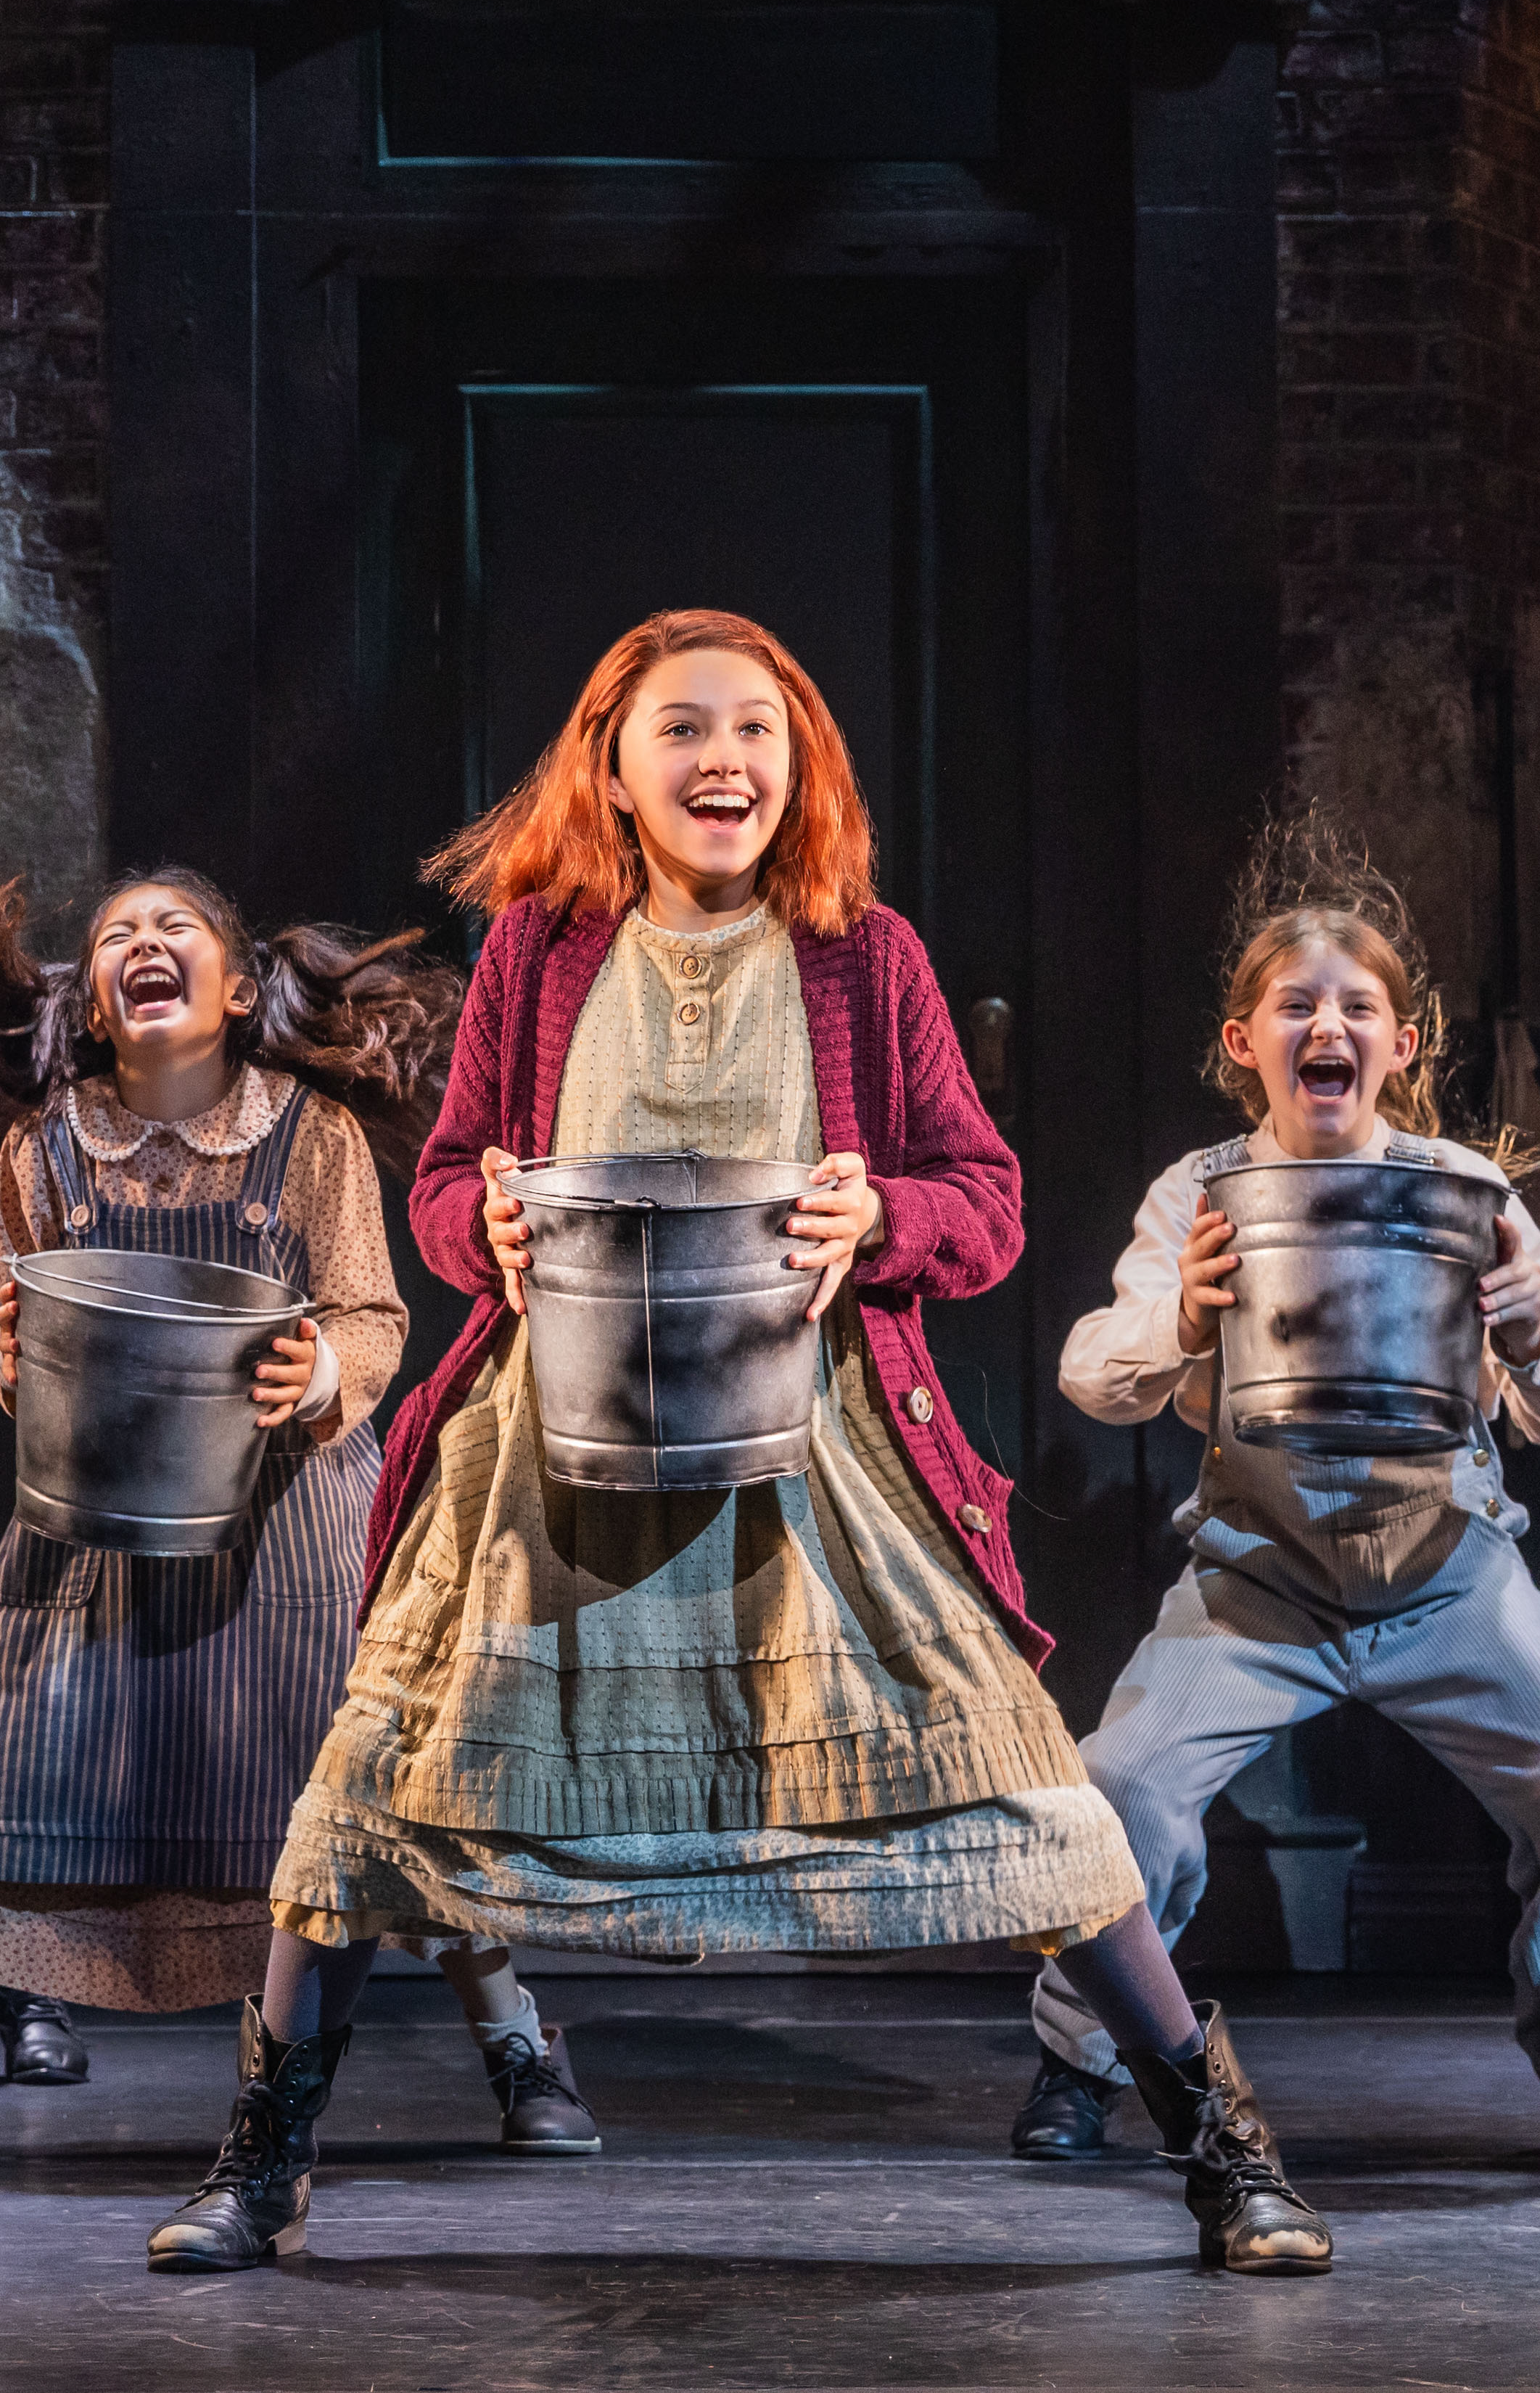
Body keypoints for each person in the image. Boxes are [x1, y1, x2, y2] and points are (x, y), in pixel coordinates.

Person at [146, 608, 1331, 2278]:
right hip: (547, 1453)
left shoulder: (868, 953)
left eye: (759, 729)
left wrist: (883, 1208)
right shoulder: (540, 953)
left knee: (1026, 1787)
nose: (727, 758)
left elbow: (982, 1206)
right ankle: (262, 2164)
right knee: (371, 1799)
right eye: (686, 729)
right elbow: (446, 1178)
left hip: (822, 1451)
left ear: (802, 761)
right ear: (613, 769)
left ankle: (1225, 2153)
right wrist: (475, 1220)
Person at [0, 868, 598, 2168]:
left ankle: (516, 2042)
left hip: (288, 1533)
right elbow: (14, 1335)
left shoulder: (308, 1136)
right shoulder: (45, 1146)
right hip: (87, 1535)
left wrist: (320, 1370)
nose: (145, 945)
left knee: (376, 1791)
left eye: (178, 931)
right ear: (96, 1007)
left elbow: (371, 1312)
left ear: (234, 988)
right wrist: (12, 1353)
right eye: (116, 937)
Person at [1021, 816, 1540, 2165]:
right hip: (1259, 1575)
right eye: (1296, 1006)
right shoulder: (1203, 1192)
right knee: (1117, 1787)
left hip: (1448, 1569)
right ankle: (1086, 2059)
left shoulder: (1465, 1190)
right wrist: (1183, 1322)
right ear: (1242, 1042)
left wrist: (1530, 1334)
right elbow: (1094, 1367)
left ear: (1404, 1045)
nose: (1328, 1025)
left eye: (1358, 1006)